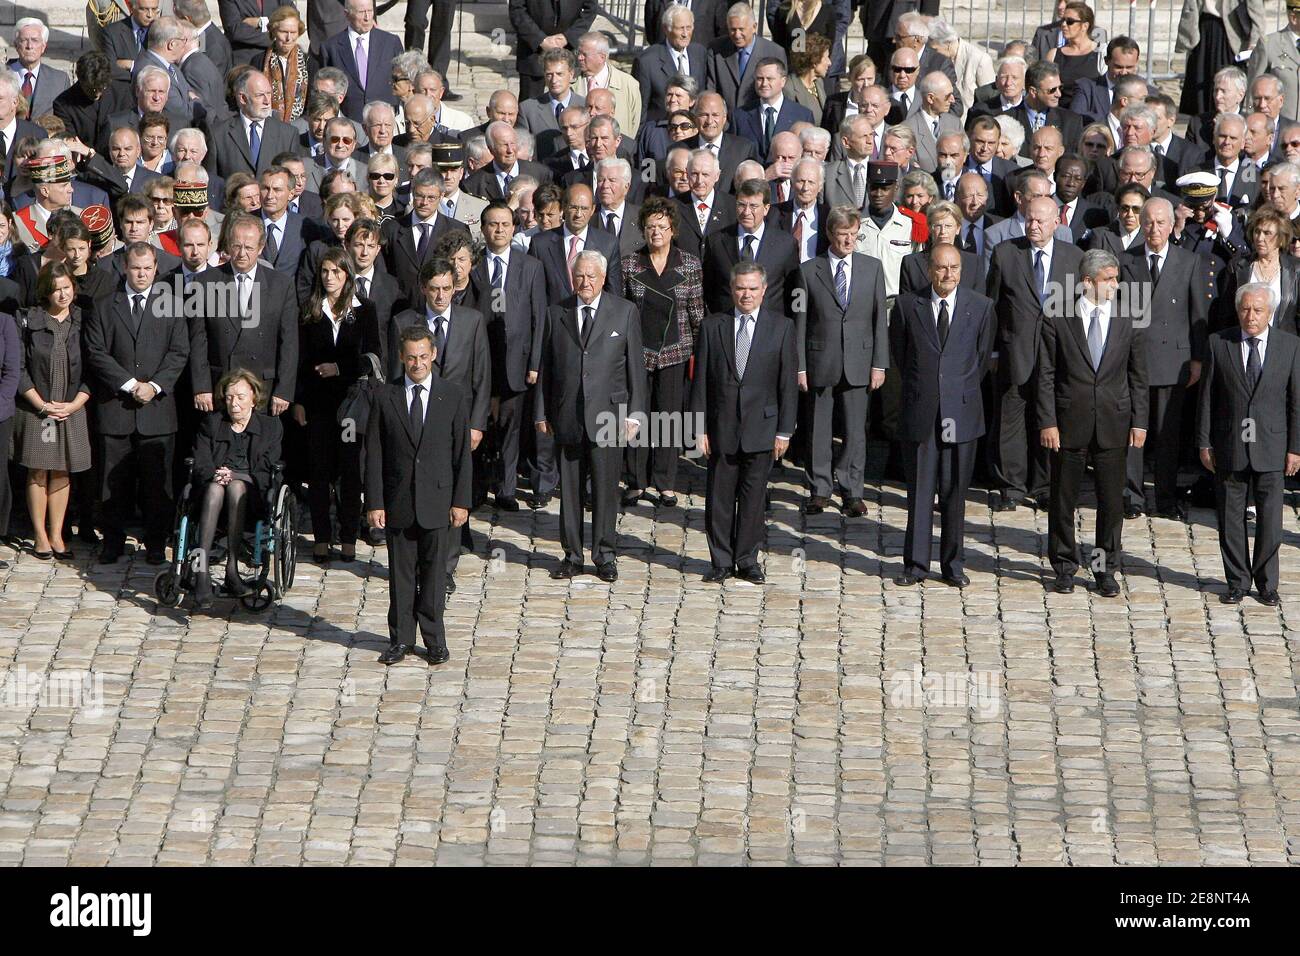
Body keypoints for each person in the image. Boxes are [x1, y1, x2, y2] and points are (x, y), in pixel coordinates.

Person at [1038, 248, 1149, 597]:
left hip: (1114, 422)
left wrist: (1140, 422)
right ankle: (1065, 566)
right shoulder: (1058, 317)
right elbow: (1046, 374)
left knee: (1110, 501)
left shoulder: (1128, 317)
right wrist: (1047, 421)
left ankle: (1104, 568)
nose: (1116, 285)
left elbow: (1137, 375)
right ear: (1088, 282)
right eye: (1109, 279)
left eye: (1116, 278)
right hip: (1069, 421)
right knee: (1063, 498)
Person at [535, 250, 645, 582]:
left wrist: (635, 415)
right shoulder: (557, 313)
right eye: (579, 276)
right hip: (567, 413)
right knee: (569, 489)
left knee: (605, 488)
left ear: (602, 278)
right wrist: (541, 411)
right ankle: (571, 554)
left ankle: (605, 553)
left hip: (609, 415)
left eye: (591, 277)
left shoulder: (624, 312)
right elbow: (546, 368)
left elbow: (635, 369)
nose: (585, 282)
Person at [890, 244, 995, 586]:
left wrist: (954, 390)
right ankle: (916, 564)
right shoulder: (907, 306)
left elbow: (980, 361)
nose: (948, 275)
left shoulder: (980, 308)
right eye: (941, 268)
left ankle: (953, 565)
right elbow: (901, 357)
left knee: (954, 493)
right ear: (929, 270)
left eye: (954, 268)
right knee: (920, 490)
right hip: (921, 411)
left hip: (961, 413)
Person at [366, 324, 471, 664]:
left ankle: (434, 639)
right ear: (401, 357)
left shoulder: (452, 395)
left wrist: (461, 501)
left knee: (435, 574)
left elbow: (461, 456)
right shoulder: (385, 396)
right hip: (399, 501)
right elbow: (375, 453)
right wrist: (375, 503)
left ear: (434, 355)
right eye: (411, 358)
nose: (417, 363)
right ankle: (401, 638)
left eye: (423, 356)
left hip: (438, 501)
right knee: (401, 575)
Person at [83, 242, 189, 565]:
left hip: (156, 411)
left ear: (156, 268)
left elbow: (179, 351)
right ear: (124, 268)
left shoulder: (171, 305)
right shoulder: (103, 306)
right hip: (116, 407)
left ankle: (156, 542)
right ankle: (112, 540)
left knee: (157, 483)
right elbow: (96, 352)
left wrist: (154, 386)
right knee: (113, 481)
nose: (141, 274)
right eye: (135, 268)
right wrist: (130, 385)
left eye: (147, 268)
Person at [692, 261, 797, 584]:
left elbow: (787, 385)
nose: (746, 294)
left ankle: (747, 559)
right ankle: (721, 560)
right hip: (721, 427)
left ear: (764, 291)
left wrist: (784, 430)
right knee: (720, 498)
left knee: (753, 499)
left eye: (753, 288)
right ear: (731, 290)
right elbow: (701, 384)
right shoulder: (713, 326)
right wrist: (699, 429)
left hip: (762, 427)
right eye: (740, 288)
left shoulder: (781, 327)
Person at [1197, 282, 1300, 606]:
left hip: (1272, 444)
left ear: (1269, 313)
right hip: (1230, 444)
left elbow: (1296, 401)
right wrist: (1204, 442)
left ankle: (1267, 583)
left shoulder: (1290, 346)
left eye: (1257, 310)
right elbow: (1207, 398)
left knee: (1270, 519)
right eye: (1245, 309)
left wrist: (1295, 447)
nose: (1250, 316)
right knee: (1230, 516)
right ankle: (1237, 581)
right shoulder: (1219, 343)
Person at [985, 194, 1084, 512]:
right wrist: (994, 351)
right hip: (1016, 351)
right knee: (1011, 419)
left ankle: (1043, 485)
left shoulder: (1074, 257)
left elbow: (1080, 310)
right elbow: (994, 305)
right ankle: (1011, 486)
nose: (1034, 225)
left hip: (1057, 355)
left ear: (1057, 222)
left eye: (1041, 220)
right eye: (1029, 219)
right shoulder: (1006, 253)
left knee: (1049, 417)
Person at [1119, 197, 1209, 520]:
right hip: (1135, 360)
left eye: (1160, 223)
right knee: (1134, 430)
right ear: (1140, 225)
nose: (1154, 229)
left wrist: (1197, 359)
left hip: (1174, 362)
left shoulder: (1189, 262)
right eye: (1148, 222)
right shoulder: (1126, 260)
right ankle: (1132, 495)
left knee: (1168, 436)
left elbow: (1198, 315)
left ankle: (1167, 498)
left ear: (1172, 226)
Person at [795, 205, 887, 517]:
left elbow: (879, 319)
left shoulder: (872, 268)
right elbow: (801, 322)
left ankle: (851, 490)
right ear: (830, 235)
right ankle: (819, 488)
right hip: (821, 358)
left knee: (854, 429)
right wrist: (800, 366)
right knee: (818, 429)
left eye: (853, 234)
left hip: (860, 360)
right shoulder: (809, 270)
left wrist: (879, 363)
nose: (848, 240)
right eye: (842, 234)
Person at [619, 196, 705, 508]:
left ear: (673, 230)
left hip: (674, 352)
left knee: (668, 417)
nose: (656, 232)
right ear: (643, 229)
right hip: (638, 352)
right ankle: (635, 481)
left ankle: (666, 483)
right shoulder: (629, 264)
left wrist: (699, 352)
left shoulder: (690, 264)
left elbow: (696, 313)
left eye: (662, 227)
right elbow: (624, 311)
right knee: (637, 416)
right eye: (651, 227)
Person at [293, 247, 377, 564]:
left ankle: (348, 536)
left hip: (350, 404)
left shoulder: (364, 310)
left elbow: (372, 357)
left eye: (336, 272)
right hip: (318, 404)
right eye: (326, 271)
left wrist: (340, 369)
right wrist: (299, 399)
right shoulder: (310, 311)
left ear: (347, 275)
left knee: (349, 471)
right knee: (319, 472)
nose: (330, 278)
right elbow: (299, 360)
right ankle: (321, 537)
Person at [14, 262, 92, 560]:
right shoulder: (30, 320)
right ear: (45, 292)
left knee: (61, 471)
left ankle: (58, 533)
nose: (63, 294)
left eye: (67, 288)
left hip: (71, 407)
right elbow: (20, 368)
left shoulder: (82, 320)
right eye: (56, 289)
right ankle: (40, 535)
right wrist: (42, 404)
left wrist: (75, 404)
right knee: (39, 471)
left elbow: (94, 364)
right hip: (40, 410)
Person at [190, 370, 283, 609]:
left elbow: (266, 470)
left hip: (251, 498)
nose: (235, 403)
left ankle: (232, 568)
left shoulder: (271, 427)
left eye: (241, 397)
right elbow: (201, 463)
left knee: (237, 487)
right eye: (230, 397)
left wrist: (236, 476)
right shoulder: (211, 424)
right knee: (215, 490)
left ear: (254, 398)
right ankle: (201, 574)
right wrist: (216, 475)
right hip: (213, 496)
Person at [190, 214, 299, 417]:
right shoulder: (204, 282)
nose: (241, 253)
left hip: (263, 388)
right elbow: (198, 339)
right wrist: (201, 386)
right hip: (220, 387)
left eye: (248, 248)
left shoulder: (281, 285)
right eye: (236, 246)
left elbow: (289, 342)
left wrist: (284, 390)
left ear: (260, 247)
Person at [1177, 0, 1266, 119]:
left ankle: (1230, 124)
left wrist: (1255, 41)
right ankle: (1202, 127)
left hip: (1232, 35)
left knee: (1229, 83)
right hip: (1203, 31)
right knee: (1202, 86)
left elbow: (1256, 9)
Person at [263, 5, 310, 124]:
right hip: (269, 126)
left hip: (299, 128)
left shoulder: (308, 61)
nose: (288, 38)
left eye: (293, 32)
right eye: (284, 32)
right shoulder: (260, 60)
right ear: (274, 32)